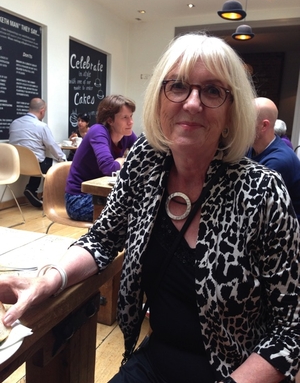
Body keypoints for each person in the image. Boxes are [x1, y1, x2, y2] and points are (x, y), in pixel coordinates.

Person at [1, 33, 300, 383]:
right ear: (160, 99)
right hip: (156, 359)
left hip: (236, 370)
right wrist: (48, 279)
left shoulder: (262, 190)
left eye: (213, 91)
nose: (191, 103)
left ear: (233, 112)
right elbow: (102, 239)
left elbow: (291, 327)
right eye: (177, 87)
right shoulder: (145, 162)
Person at [65, 95, 137, 222]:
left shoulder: (127, 135)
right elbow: (109, 168)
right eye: (125, 117)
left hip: (104, 194)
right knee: (133, 212)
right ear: (110, 120)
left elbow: (143, 158)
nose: (130, 122)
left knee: (142, 206)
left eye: (131, 116)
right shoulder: (98, 131)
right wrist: (122, 160)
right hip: (78, 199)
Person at [246, 97, 300, 221]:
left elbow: (251, 204)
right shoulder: (251, 148)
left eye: (247, 120)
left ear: (264, 125)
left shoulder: (279, 161)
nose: (241, 125)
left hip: (287, 233)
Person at [9, 98, 66, 208]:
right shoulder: (41, 126)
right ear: (42, 110)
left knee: (39, 160)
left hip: (17, 165)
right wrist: (63, 159)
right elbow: (52, 146)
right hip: (36, 165)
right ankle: (50, 198)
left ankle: (31, 189)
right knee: (57, 166)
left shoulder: (14, 123)